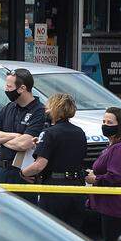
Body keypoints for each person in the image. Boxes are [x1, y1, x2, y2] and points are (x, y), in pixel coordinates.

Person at [21, 93, 87, 229]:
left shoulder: (49, 133)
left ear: (55, 109)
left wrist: (23, 173)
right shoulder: (79, 132)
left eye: (48, 107)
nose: (46, 111)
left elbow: (39, 165)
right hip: (78, 187)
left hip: (55, 190)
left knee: (52, 231)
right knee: (74, 232)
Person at [86, 107, 121, 241]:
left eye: (109, 122)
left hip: (117, 207)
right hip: (111, 206)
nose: (105, 125)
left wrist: (95, 179)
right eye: (104, 122)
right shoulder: (113, 146)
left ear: (120, 125)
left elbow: (116, 176)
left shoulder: (120, 148)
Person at [0, 68, 45, 187]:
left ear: (22, 88)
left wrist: (1, 139)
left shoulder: (39, 111)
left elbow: (24, 144)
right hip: (0, 171)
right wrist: (15, 136)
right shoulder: (9, 107)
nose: (6, 89)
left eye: (9, 86)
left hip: (22, 174)